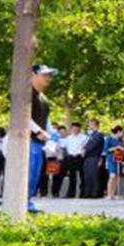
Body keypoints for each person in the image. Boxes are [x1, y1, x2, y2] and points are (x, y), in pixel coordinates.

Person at [27, 65, 57, 208]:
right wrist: (38, 131)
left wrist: (52, 136)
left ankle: (27, 202)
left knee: (35, 174)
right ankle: (20, 203)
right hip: (26, 141)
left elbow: (46, 120)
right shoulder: (26, 93)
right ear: (33, 74)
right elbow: (22, 115)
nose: (48, 78)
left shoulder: (43, 98)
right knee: (28, 173)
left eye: (50, 75)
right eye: (44, 75)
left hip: (39, 143)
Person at [62, 122, 87, 198]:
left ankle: (83, 193)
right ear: (71, 129)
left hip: (79, 157)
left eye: (77, 128)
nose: (75, 130)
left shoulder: (84, 137)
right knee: (71, 176)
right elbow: (63, 146)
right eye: (73, 128)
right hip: (71, 157)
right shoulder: (68, 138)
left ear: (80, 129)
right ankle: (70, 194)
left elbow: (86, 147)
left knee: (82, 176)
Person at [81, 119, 104, 199]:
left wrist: (85, 149)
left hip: (94, 157)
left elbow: (93, 143)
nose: (90, 125)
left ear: (95, 125)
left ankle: (95, 193)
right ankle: (88, 192)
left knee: (93, 175)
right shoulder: (90, 135)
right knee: (87, 175)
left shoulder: (98, 134)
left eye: (91, 124)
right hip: (88, 158)